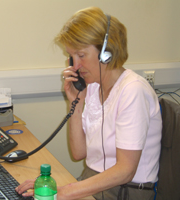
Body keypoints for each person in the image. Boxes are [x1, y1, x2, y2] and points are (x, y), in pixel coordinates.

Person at [15, 7, 162, 200]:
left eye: (81, 55)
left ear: (106, 53)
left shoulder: (133, 91)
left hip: (125, 191)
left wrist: (64, 192)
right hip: (94, 182)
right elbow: (79, 153)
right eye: (71, 56)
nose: (75, 66)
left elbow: (125, 171)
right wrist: (75, 103)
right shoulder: (92, 86)